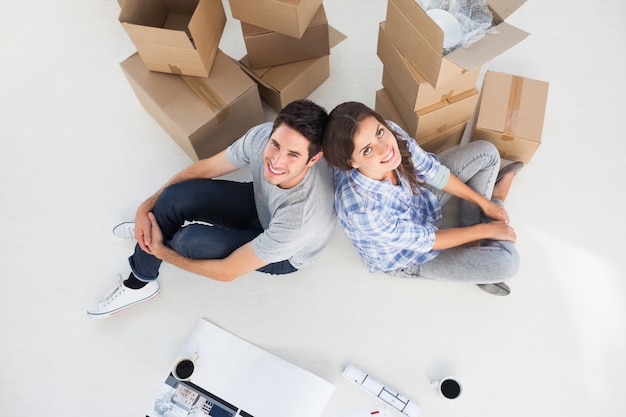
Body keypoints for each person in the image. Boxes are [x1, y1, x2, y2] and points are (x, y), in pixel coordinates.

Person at [87, 99, 337, 318]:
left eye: (293, 155)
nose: (277, 160)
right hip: (261, 204)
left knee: (189, 242)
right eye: (276, 145)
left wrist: (164, 253)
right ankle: (150, 241)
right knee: (173, 197)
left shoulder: (300, 220)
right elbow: (206, 168)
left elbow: (227, 271)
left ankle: (140, 276)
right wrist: (146, 207)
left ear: (313, 159)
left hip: (285, 252)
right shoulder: (261, 136)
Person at [322, 102, 522, 296]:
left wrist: (483, 203)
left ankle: (474, 240)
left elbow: (433, 171)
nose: (384, 149)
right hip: (409, 255)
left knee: (487, 153)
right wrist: (486, 228)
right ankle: (496, 200)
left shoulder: (391, 132)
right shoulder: (362, 210)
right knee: (508, 263)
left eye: (379, 132)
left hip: (420, 201)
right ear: (352, 162)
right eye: (367, 149)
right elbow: (428, 240)